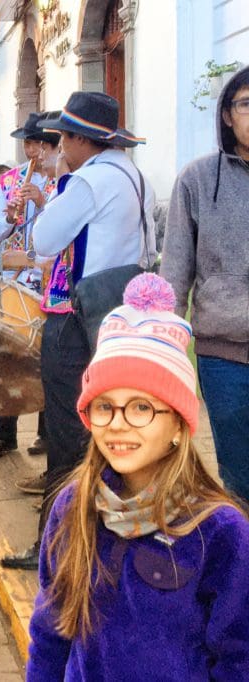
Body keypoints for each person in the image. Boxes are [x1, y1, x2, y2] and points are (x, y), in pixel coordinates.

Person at [27, 273, 249, 679]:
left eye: (142, 407)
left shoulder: (220, 533)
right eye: (104, 406)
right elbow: (50, 634)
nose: (118, 424)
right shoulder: (73, 509)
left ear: (179, 426)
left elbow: (238, 660)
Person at [1, 91, 156, 570]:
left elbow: (44, 241)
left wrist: (53, 197)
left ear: (78, 138)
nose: (58, 147)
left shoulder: (85, 181)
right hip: (120, 315)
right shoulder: (133, 174)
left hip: (75, 320)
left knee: (70, 436)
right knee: (113, 425)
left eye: (62, 138)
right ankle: (110, 536)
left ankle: (59, 546)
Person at [161, 65, 249, 503]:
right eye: (247, 104)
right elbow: (175, 268)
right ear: (228, 114)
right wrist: (163, 341)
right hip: (224, 354)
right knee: (237, 473)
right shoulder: (197, 179)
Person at [0, 112, 59, 461]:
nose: (33, 151)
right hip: (14, 279)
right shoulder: (10, 181)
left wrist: (41, 203)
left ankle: (46, 433)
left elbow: (61, 229)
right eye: (29, 143)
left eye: (40, 144)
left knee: (48, 357)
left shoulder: (63, 180)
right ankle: (4, 433)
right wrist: (12, 217)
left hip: (47, 280)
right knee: (6, 355)